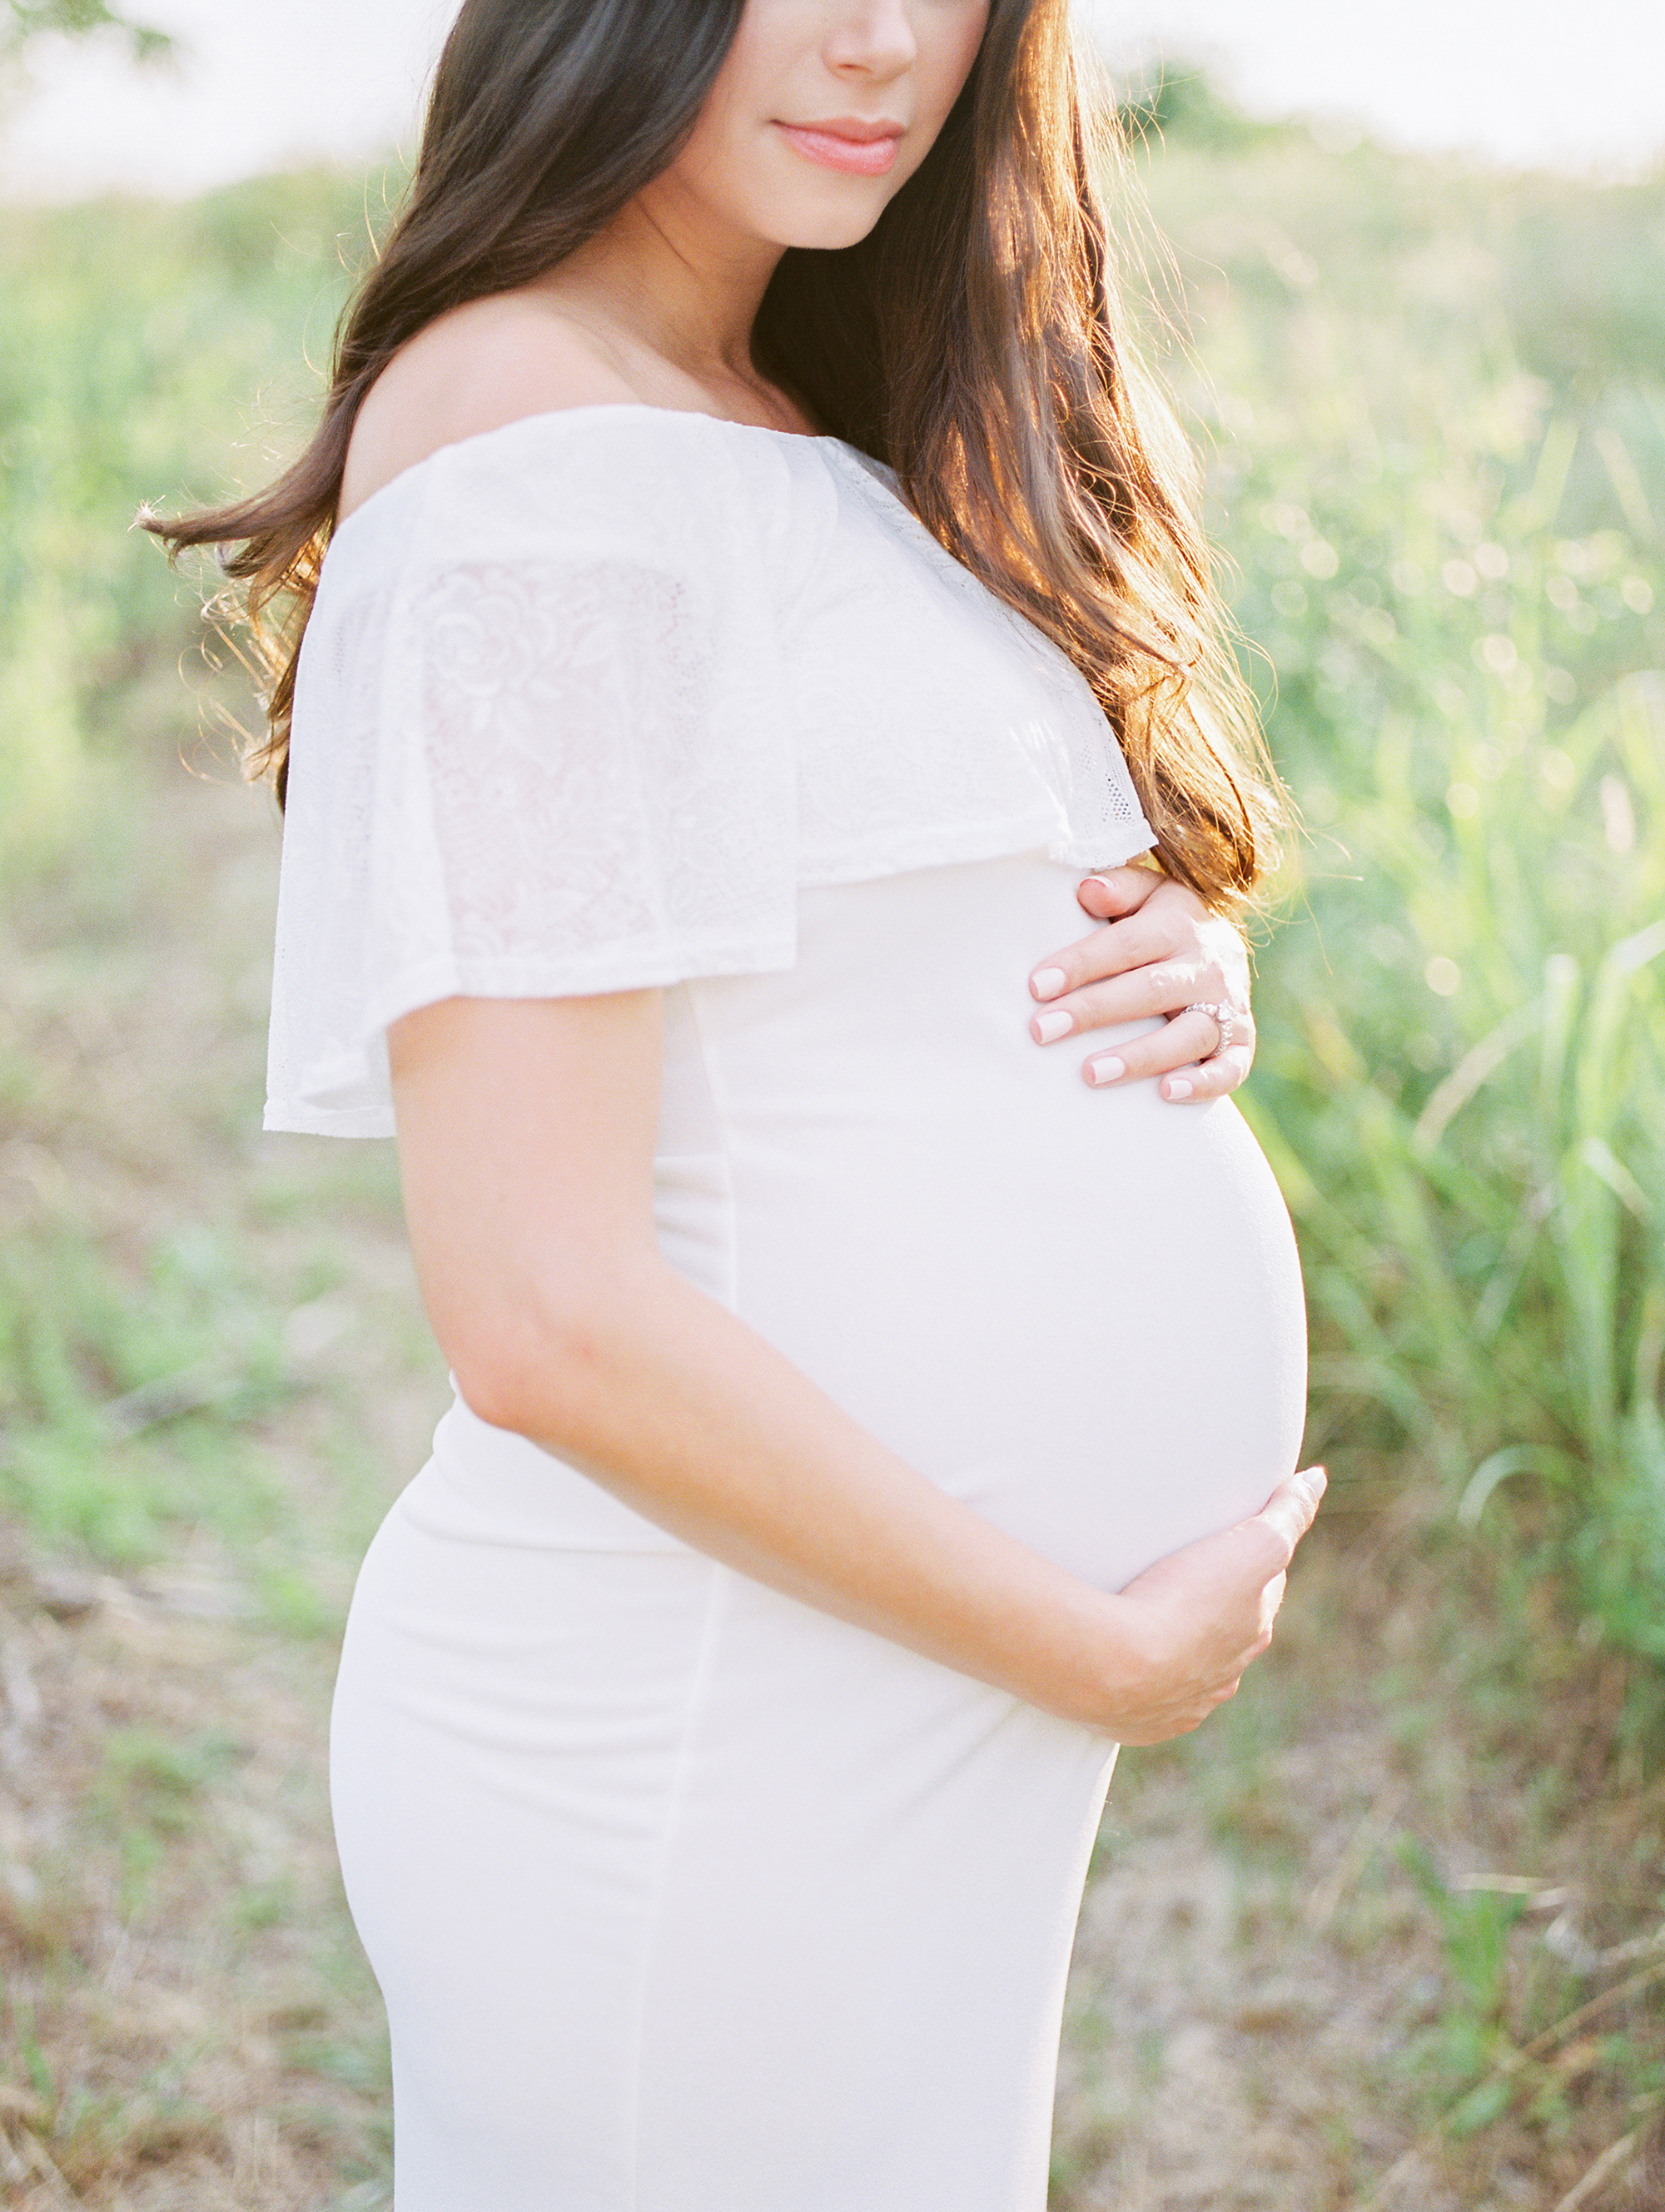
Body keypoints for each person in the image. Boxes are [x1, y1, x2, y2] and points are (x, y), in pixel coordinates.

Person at [150, 2, 1323, 2205]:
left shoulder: (793, 415)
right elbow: (539, 1304)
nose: (882, 39)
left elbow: (883, 938)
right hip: (701, 1729)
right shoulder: (528, 422)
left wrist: (1173, 967)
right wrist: (1097, 1649)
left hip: (870, 1690)